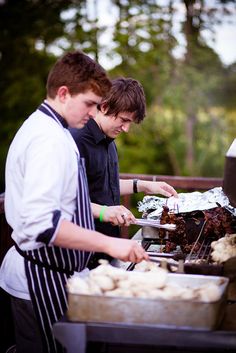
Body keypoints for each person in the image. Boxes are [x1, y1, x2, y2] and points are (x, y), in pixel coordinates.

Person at [0, 51, 149, 353]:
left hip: (55, 276)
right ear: (64, 93)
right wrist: (109, 244)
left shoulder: (53, 130)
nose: (94, 112)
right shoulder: (49, 140)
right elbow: (42, 224)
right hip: (38, 276)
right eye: (90, 104)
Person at [70, 77, 178, 266]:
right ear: (104, 107)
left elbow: (105, 186)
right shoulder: (77, 141)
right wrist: (105, 212)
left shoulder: (109, 140)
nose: (127, 129)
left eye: (131, 122)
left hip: (109, 250)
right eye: (123, 120)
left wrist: (143, 185)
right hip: (82, 256)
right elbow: (67, 201)